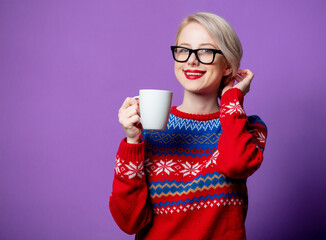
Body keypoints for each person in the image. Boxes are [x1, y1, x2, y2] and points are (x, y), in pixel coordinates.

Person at [109, 12, 267, 240]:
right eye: (183, 50)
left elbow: (236, 165)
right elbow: (129, 221)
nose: (191, 60)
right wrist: (133, 142)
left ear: (228, 67)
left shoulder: (249, 128)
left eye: (205, 51)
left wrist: (232, 99)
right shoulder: (150, 127)